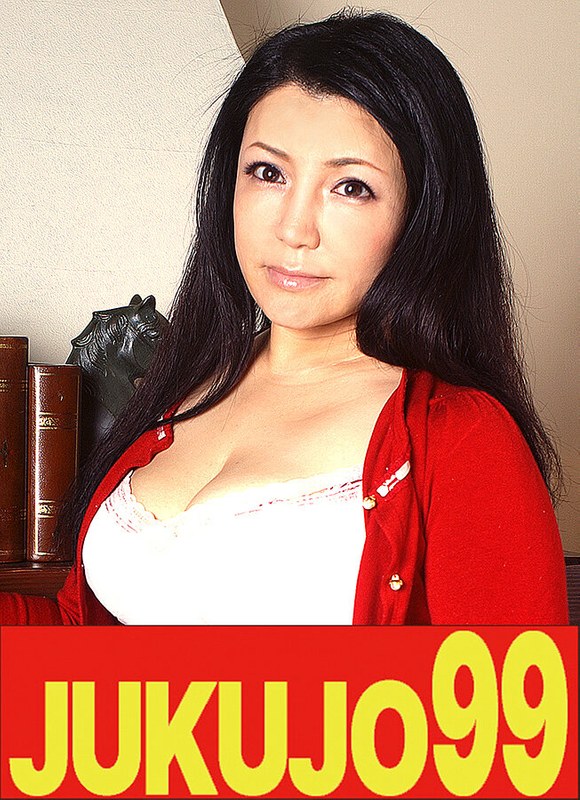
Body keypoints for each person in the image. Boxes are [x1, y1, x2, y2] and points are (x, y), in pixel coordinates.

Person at [1, 10, 568, 625]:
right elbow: (79, 639)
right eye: (268, 173)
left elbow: (508, 687)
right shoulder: (182, 385)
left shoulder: (462, 440)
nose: (294, 229)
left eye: (351, 187)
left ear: (422, 214)